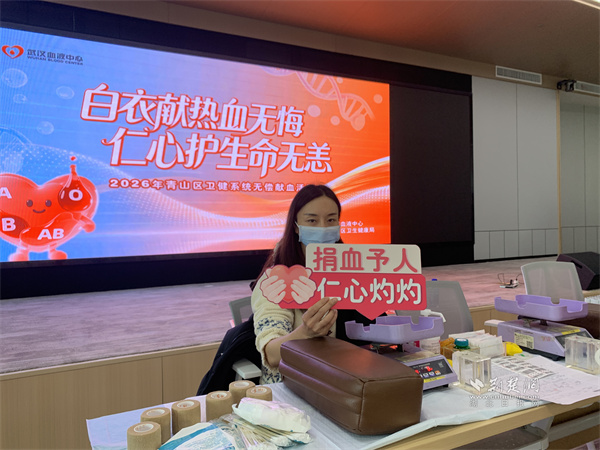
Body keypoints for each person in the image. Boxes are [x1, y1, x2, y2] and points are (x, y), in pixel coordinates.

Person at [251, 184, 371, 384]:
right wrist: (305, 333)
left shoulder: (352, 273)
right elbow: (271, 354)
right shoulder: (276, 280)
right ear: (296, 226)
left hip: (348, 380)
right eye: (312, 220)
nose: (323, 228)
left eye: (331, 220)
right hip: (294, 386)